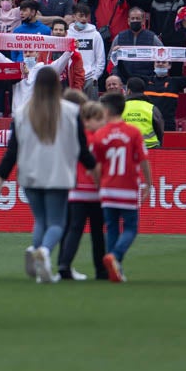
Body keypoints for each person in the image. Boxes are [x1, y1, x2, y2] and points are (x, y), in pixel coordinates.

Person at [0, 68, 99, 284]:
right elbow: (81, 146)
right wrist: (93, 168)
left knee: (40, 220)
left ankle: (38, 253)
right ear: (58, 85)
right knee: (57, 223)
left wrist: (1, 175)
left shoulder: (22, 111)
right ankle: (43, 251)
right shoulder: (70, 111)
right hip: (58, 173)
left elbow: (13, 149)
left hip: (29, 172)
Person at [94, 91, 153, 283]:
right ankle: (116, 257)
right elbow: (144, 159)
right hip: (128, 186)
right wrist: (149, 183)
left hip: (108, 187)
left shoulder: (101, 134)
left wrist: (99, 184)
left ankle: (114, 264)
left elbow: (96, 165)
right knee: (130, 228)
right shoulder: (133, 132)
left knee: (111, 228)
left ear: (108, 110)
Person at [56, 100, 109, 282]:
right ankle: (100, 270)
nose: (102, 122)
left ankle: (64, 263)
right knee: (97, 233)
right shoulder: (98, 139)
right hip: (94, 191)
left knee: (75, 229)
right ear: (86, 120)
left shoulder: (75, 138)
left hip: (76, 190)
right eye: (98, 118)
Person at [122, 77, 164, 149]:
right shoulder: (152, 108)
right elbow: (160, 130)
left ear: (129, 91)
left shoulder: (120, 108)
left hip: (127, 148)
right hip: (151, 148)